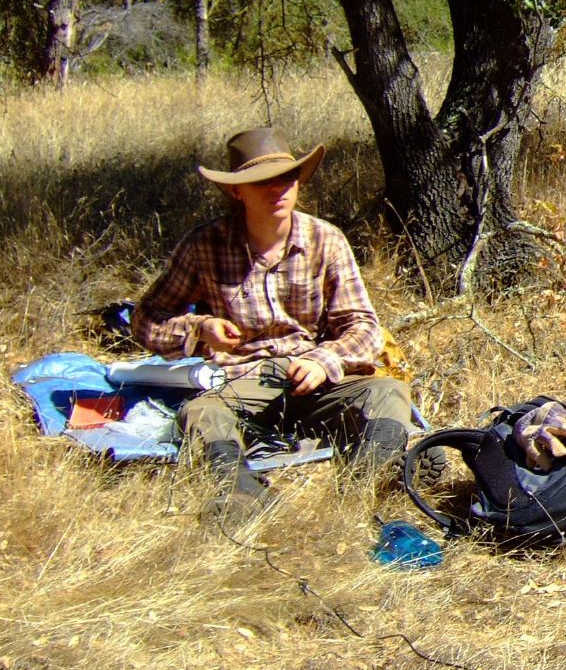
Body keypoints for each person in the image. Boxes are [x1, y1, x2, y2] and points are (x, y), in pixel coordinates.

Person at [135, 127, 417, 513]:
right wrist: (198, 330)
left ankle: (367, 487)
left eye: (287, 177)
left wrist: (324, 360)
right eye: (262, 181)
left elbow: (364, 327)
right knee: (200, 413)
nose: (278, 189)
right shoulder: (204, 246)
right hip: (241, 380)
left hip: (311, 379)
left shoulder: (326, 240)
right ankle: (241, 494)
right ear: (236, 191)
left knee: (388, 392)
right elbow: (146, 318)